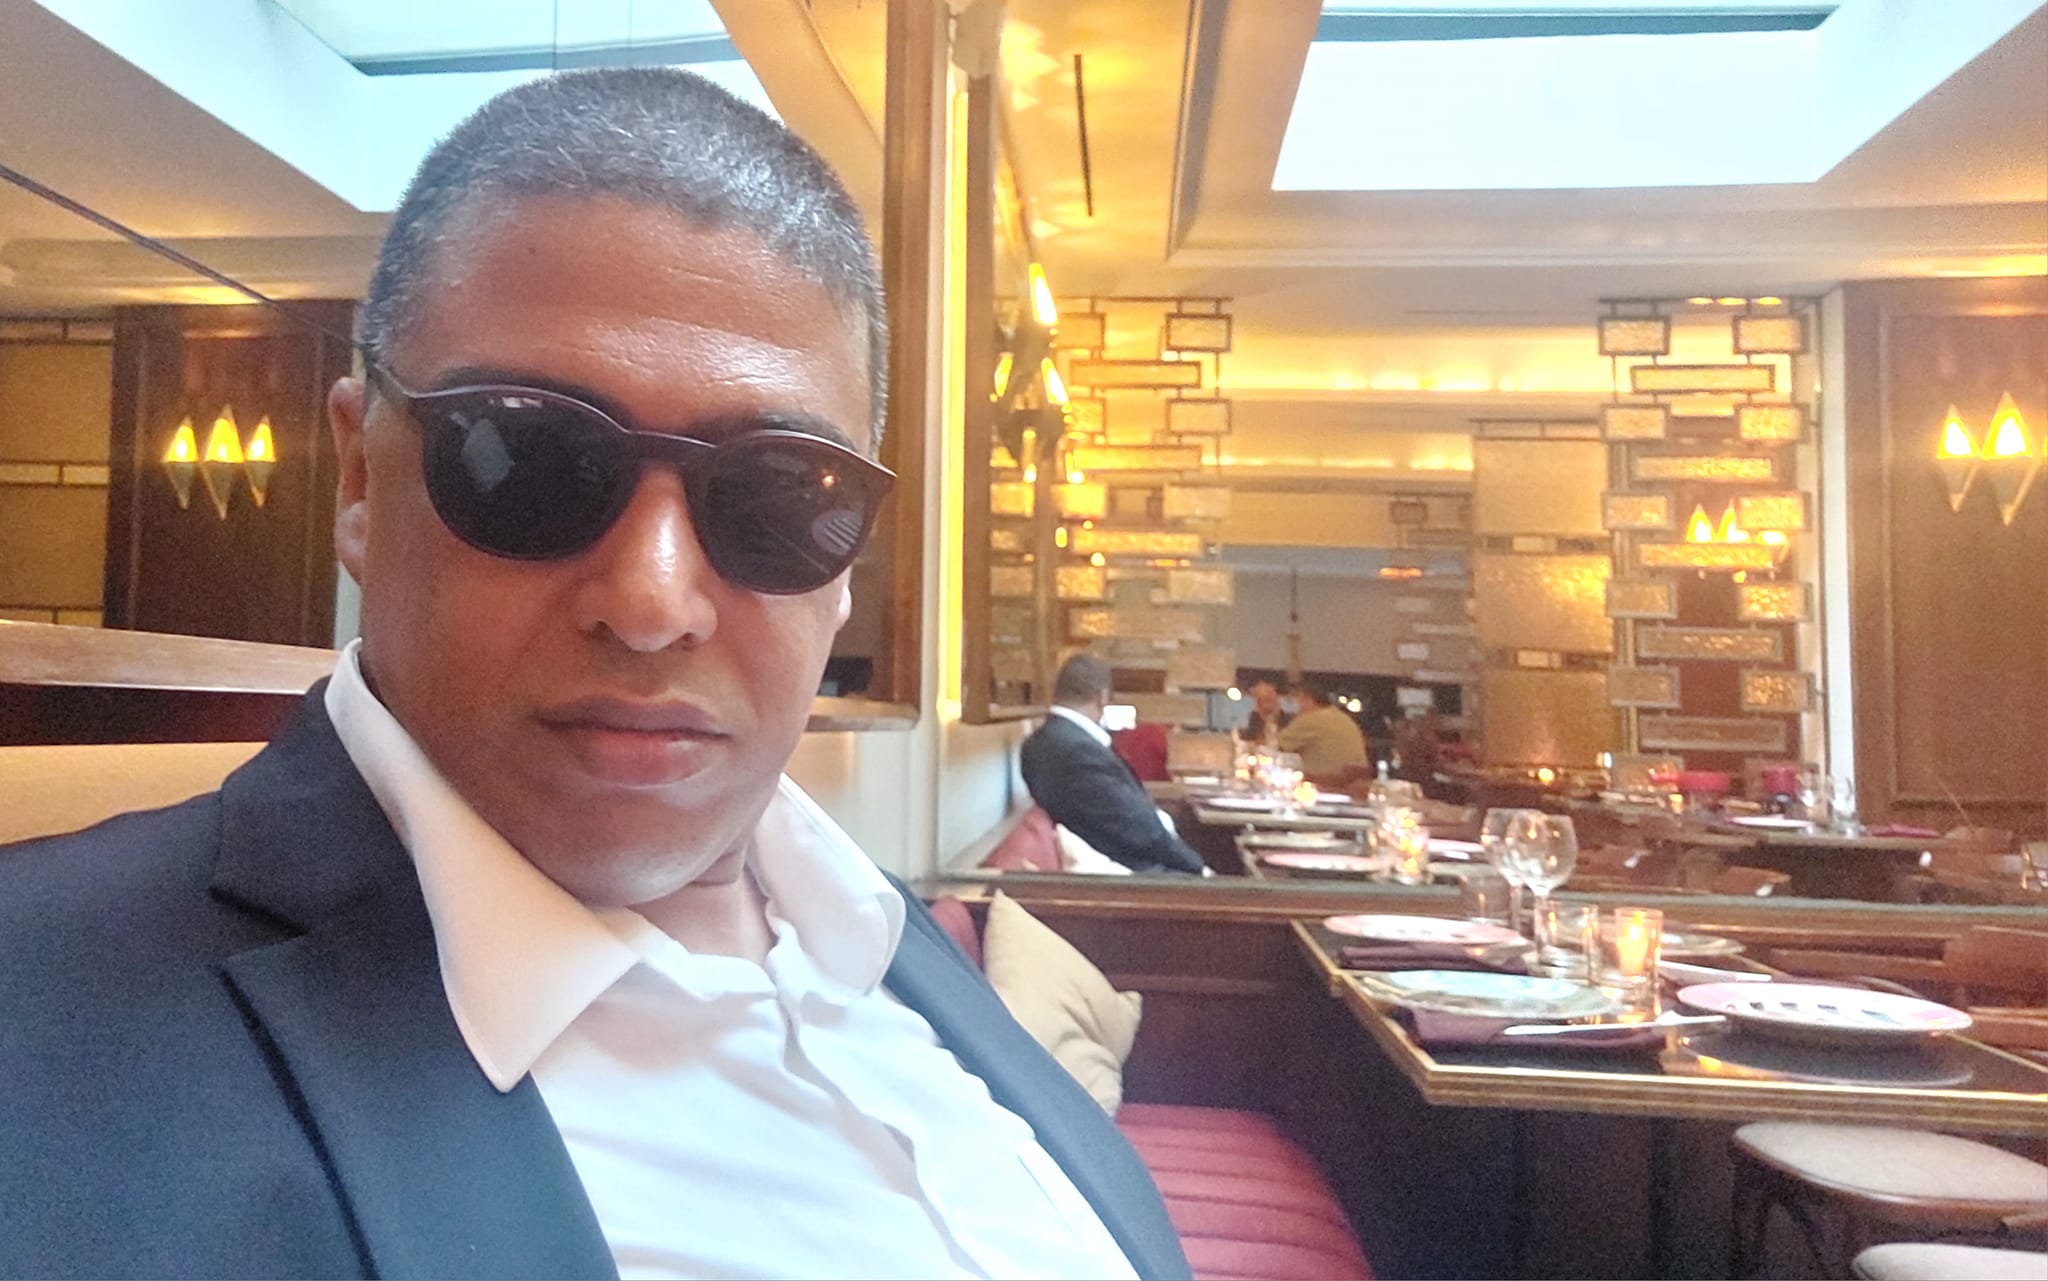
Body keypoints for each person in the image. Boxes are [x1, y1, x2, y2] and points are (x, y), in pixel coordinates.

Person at [0, 69, 1187, 1280]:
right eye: (526, 461)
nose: (653, 602)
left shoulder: (877, 925)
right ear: (359, 479)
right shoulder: (40, 1016)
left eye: (779, 494)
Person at [1020, 656, 1208, 876]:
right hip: (1125, 875)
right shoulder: (1077, 750)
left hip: (1109, 864)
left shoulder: (1038, 743)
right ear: (1102, 698)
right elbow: (1140, 829)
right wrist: (1197, 867)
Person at [1275, 681, 1369, 782]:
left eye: (1293, 701)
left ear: (1307, 699)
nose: (1291, 706)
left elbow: (1273, 748)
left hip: (1325, 783)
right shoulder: (1342, 717)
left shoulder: (1309, 720)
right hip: (1356, 783)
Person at [1240, 679, 1291, 746]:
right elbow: (1247, 738)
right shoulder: (1254, 718)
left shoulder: (1289, 719)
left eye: (1269, 700)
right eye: (1262, 700)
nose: (1266, 705)